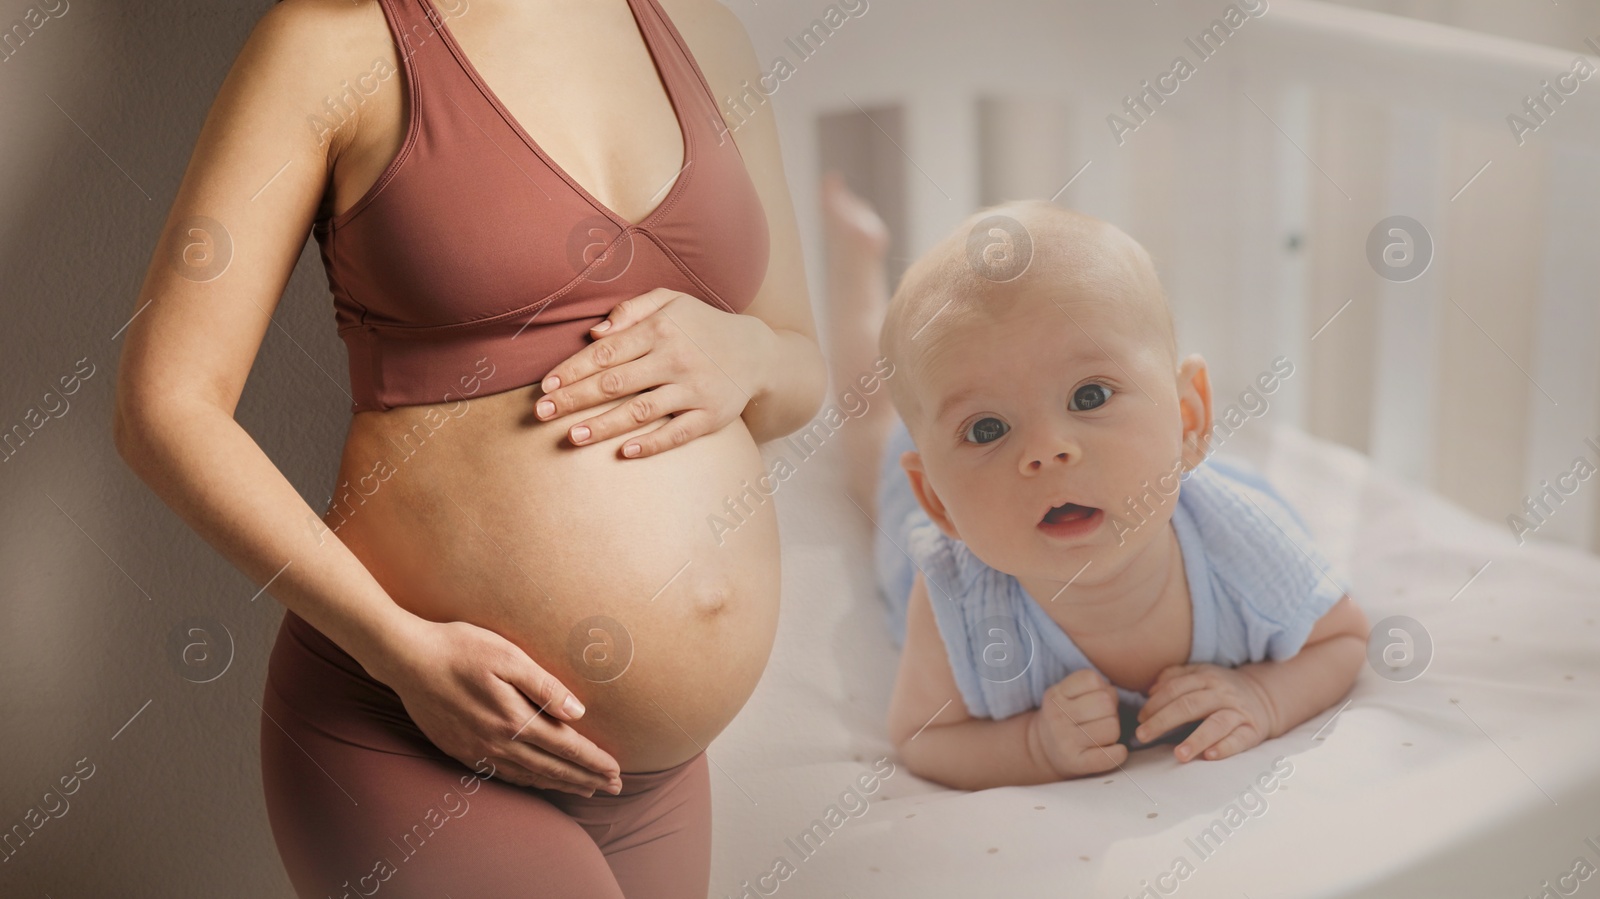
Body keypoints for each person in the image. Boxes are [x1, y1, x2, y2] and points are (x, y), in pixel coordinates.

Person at [111, 0, 826, 895]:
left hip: (659, 784)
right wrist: (398, 649)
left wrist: (747, 352)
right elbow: (164, 406)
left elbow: (802, 363)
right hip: (413, 726)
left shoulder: (699, 24)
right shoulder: (336, 39)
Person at [820, 178, 1369, 792]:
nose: (1046, 450)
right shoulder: (953, 596)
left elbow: (1343, 637)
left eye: (1090, 396)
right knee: (868, 427)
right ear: (937, 500)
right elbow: (924, 738)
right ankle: (855, 266)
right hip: (921, 503)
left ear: (1188, 421)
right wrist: (1032, 745)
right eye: (988, 428)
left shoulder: (1240, 544)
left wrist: (1264, 699)